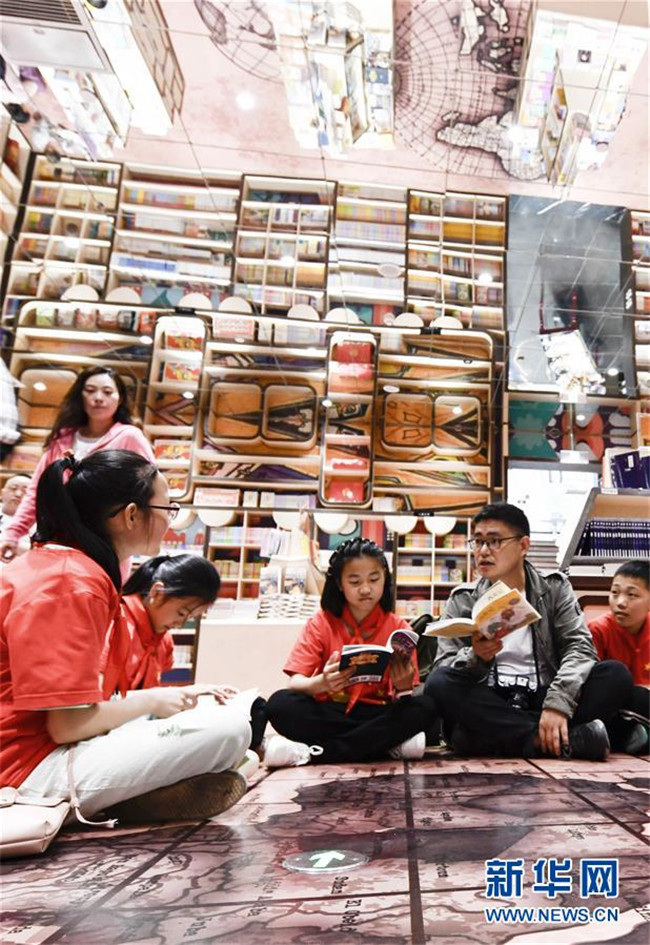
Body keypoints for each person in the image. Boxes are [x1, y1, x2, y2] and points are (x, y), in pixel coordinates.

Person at [0, 450, 251, 826]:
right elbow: (67, 725)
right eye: (168, 508)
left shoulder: (65, 569)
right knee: (231, 730)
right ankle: (89, 804)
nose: (170, 520)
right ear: (131, 515)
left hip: (40, 752)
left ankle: (123, 798)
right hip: (25, 768)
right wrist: (153, 700)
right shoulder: (71, 581)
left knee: (224, 735)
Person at [425, 502, 633, 761]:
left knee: (615, 675)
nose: (483, 551)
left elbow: (579, 648)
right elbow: (444, 666)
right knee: (439, 683)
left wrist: (557, 704)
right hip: (490, 697)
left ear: (523, 545)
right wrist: (476, 658)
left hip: (544, 694)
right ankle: (558, 738)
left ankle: (500, 737)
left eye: (494, 541)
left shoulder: (554, 588)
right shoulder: (462, 599)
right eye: (477, 542)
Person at [264, 537, 437, 766]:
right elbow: (295, 682)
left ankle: (316, 752)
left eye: (374, 579)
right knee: (279, 704)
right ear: (339, 583)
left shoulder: (399, 629)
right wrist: (321, 683)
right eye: (354, 581)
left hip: (378, 711)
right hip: (332, 712)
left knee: (425, 707)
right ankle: (384, 746)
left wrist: (404, 687)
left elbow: (403, 698)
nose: (365, 589)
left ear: (385, 579)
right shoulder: (321, 623)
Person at [119, 553, 267, 759]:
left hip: (143, 723)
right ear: (157, 592)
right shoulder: (117, 623)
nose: (181, 624)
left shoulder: (162, 639)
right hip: (120, 731)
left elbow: (149, 694)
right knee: (232, 734)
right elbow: (103, 705)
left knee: (254, 708)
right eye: (182, 613)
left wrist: (197, 691)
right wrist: (174, 696)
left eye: (190, 617)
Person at [0, 366, 154, 563]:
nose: (98, 398)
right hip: (57, 540)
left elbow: (150, 488)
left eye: (107, 392)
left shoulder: (130, 437)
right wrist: (13, 533)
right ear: (80, 395)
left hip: (105, 545)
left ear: (120, 398)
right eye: (90, 390)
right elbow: (38, 490)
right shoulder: (62, 438)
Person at [588, 561, 649, 754]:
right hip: (612, 711)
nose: (620, 602)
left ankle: (638, 735)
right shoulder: (597, 630)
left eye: (632, 595)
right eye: (615, 593)